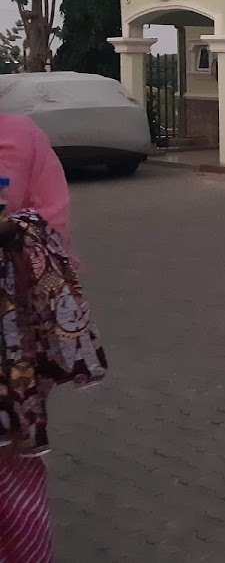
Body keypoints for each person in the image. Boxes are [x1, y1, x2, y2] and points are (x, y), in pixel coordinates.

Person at [0, 113, 107, 562]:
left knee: (11, 466)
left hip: (12, 342)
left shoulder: (22, 137)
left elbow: (52, 217)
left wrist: (13, 230)